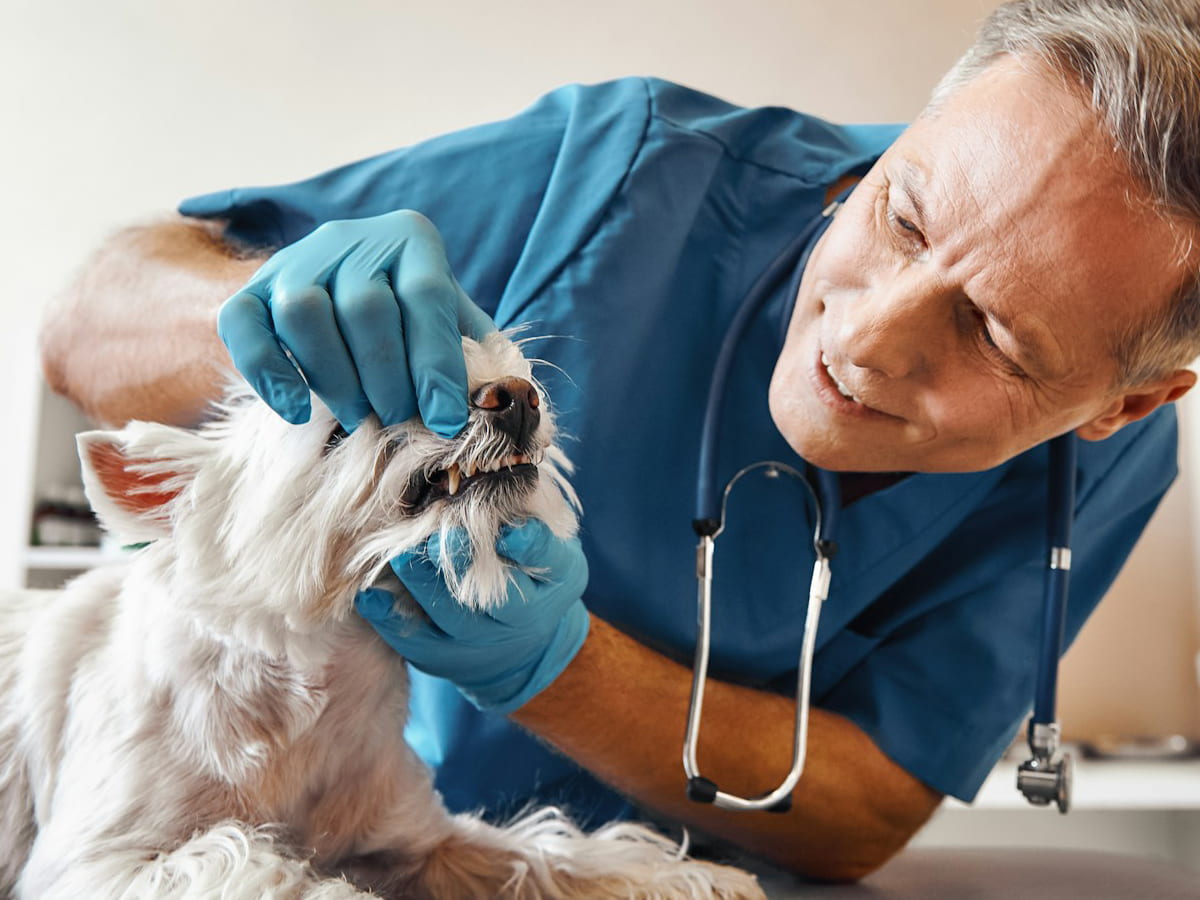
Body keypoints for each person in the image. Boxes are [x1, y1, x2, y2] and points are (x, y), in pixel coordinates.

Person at [40, 0, 1200, 883]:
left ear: (1123, 403)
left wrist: (556, 667)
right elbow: (86, 320)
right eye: (901, 214)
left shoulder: (1101, 470)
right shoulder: (620, 173)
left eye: (995, 333)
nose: (867, 338)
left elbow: (865, 814)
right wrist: (275, 324)